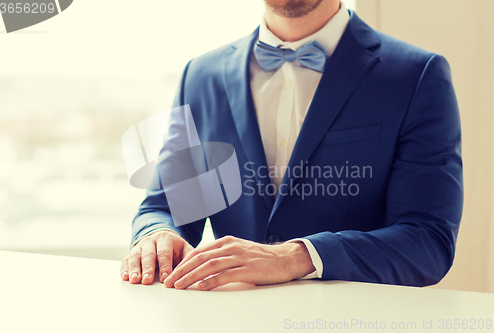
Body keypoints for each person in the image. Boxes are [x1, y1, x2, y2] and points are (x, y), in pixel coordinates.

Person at [120, 0, 463, 290]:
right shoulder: (202, 75)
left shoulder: (416, 76)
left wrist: (297, 257)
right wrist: (158, 234)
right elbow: (168, 205)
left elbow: (427, 241)